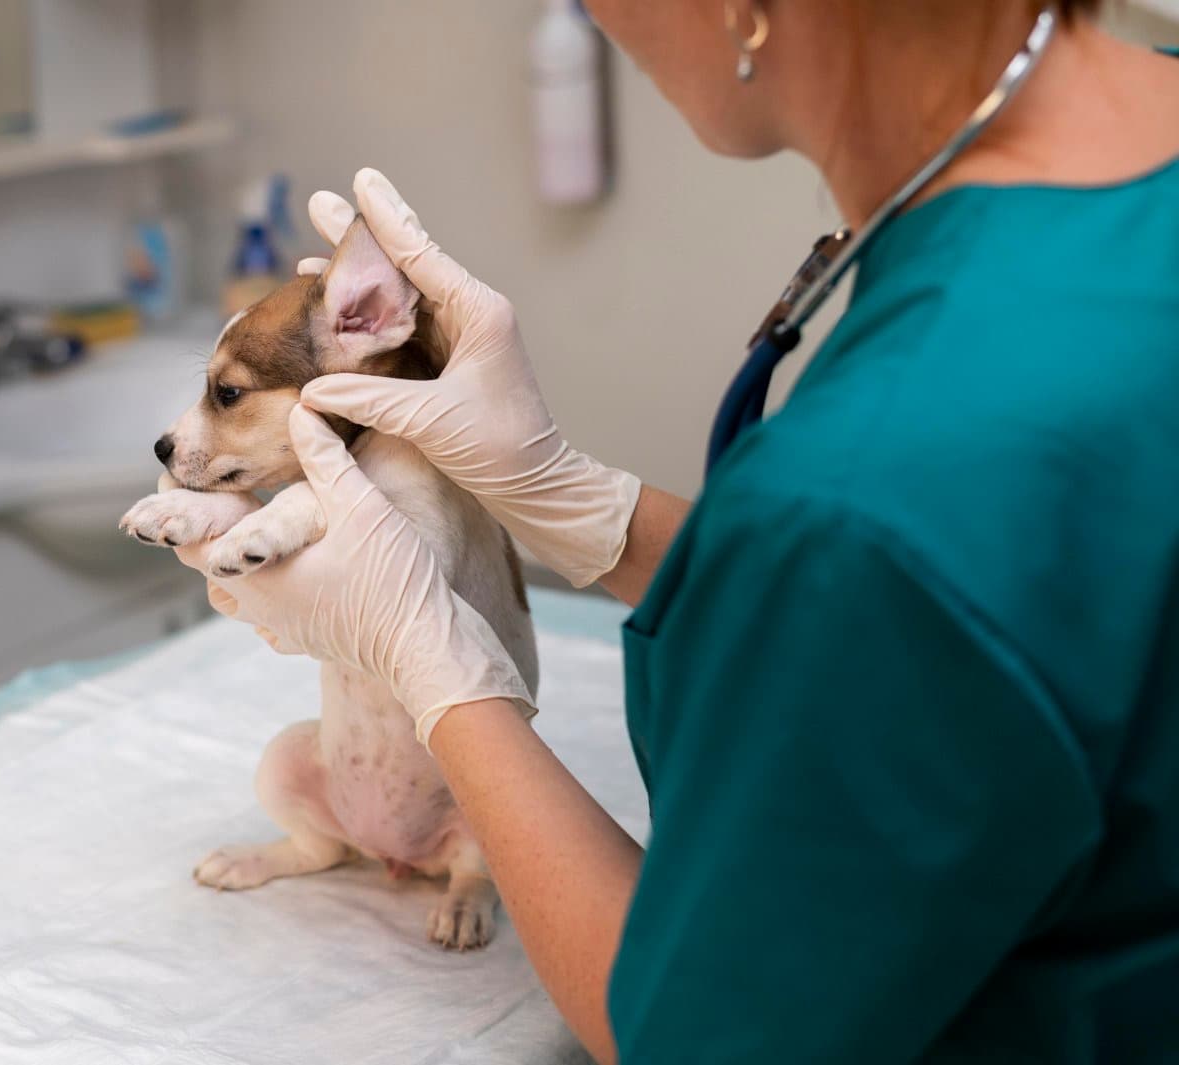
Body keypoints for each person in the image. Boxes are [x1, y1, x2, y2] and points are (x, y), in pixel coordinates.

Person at [168, 1, 1179, 1060]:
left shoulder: (870, 487)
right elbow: (1017, 606)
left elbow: (692, 1030)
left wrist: (436, 668)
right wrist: (575, 501)